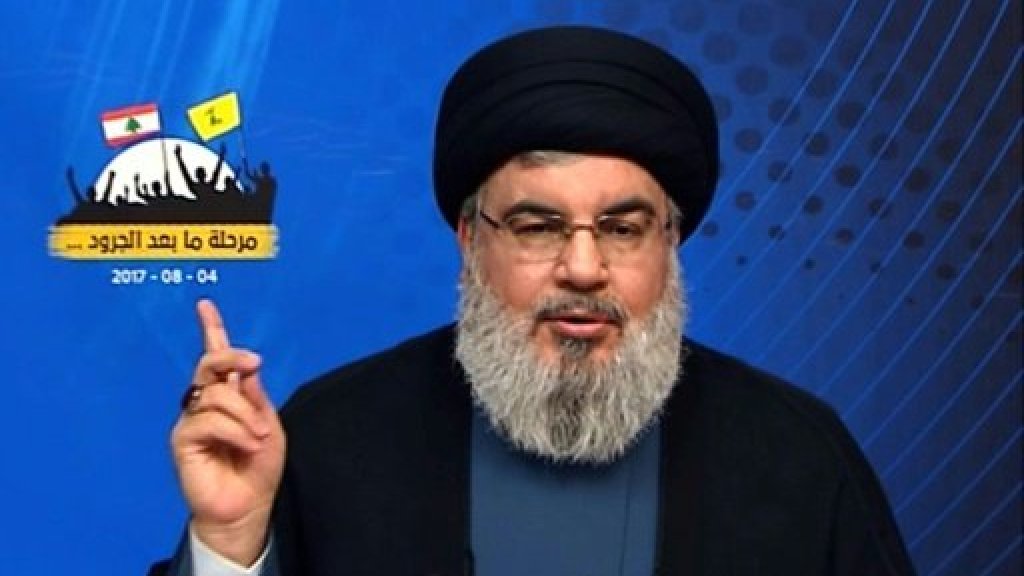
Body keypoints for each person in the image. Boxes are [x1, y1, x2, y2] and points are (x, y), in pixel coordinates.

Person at [150, 26, 916, 575]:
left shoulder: (797, 455)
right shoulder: (332, 437)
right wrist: (230, 542)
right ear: (468, 237)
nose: (582, 268)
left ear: (671, 241)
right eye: (538, 226)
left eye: (622, 229)